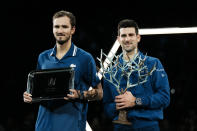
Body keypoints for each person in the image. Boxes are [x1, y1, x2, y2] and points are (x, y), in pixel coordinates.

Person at [23, 10, 103, 131]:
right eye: (57, 26)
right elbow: (39, 89)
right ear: (53, 28)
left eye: (64, 27)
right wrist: (29, 95)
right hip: (43, 126)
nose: (60, 31)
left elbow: (100, 93)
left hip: (72, 126)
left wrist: (79, 94)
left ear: (73, 30)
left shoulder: (85, 58)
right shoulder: (43, 57)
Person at [102, 19, 170, 131]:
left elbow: (164, 98)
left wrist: (136, 101)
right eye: (123, 36)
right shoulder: (110, 71)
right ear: (118, 39)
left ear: (138, 38)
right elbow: (107, 107)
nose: (127, 39)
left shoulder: (153, 64)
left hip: (148, 126)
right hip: (121, 127)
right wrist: (117, 105)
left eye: (131, 35)